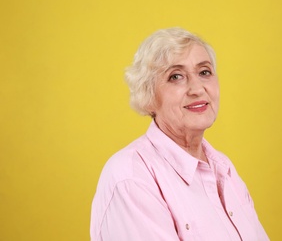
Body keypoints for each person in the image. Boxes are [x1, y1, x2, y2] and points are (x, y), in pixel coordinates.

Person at [90, 28, 269, 240]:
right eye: (176, 77)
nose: (197, 89)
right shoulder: (131, 178)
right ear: (148, 96)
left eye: (204, 72)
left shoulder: (224, 168)